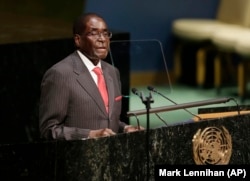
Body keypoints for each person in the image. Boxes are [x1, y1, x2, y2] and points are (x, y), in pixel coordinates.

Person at [39, 12, 143, 140]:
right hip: (78, 157)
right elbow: (49, 130)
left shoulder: (112, 72)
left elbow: (107, 120)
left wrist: (125, 128)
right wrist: (89, 135)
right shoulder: (60, 74)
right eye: (94, 33)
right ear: (78, 40)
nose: (102, 39)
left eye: (105, 33)